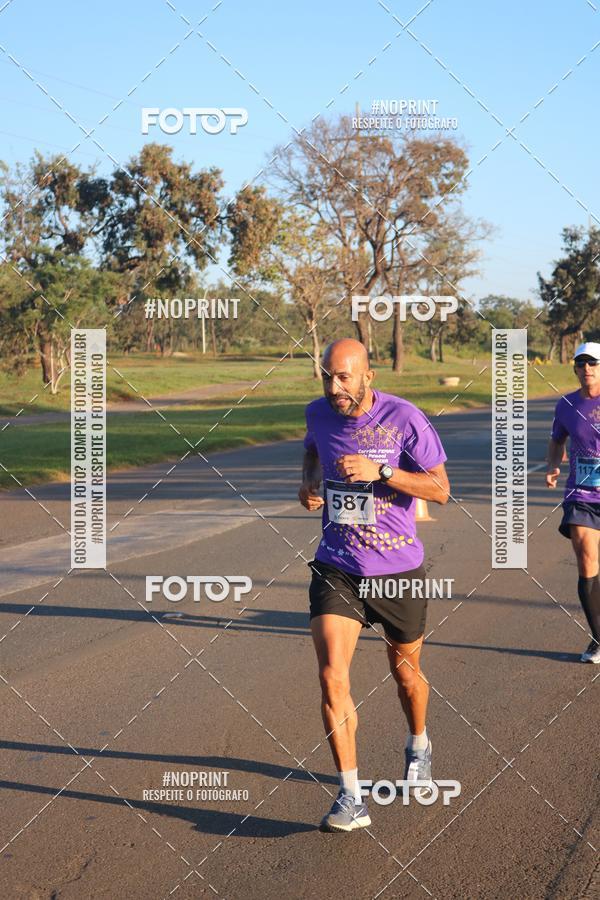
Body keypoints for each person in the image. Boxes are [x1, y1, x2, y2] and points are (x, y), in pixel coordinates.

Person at [298, 338, 450, 832]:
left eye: (343, 377)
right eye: (327, 376)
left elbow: (441, 490)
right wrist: (308, 483)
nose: (333, 386)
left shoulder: (405, 418)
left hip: (398, 569)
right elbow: (311, 451)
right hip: (337, 564)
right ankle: (349, 796)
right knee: (331, 676)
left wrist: (383, 472)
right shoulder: (318, 414)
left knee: (406, 676)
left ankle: (419, 744)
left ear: (369, 375)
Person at [547, 341, 600, 664]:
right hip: (580, 493)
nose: (586, 369)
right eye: (580, 364)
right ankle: (598, 638)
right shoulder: (566, 405)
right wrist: (553, 465)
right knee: (587, 559)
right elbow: (557, 440)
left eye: (592, 363)